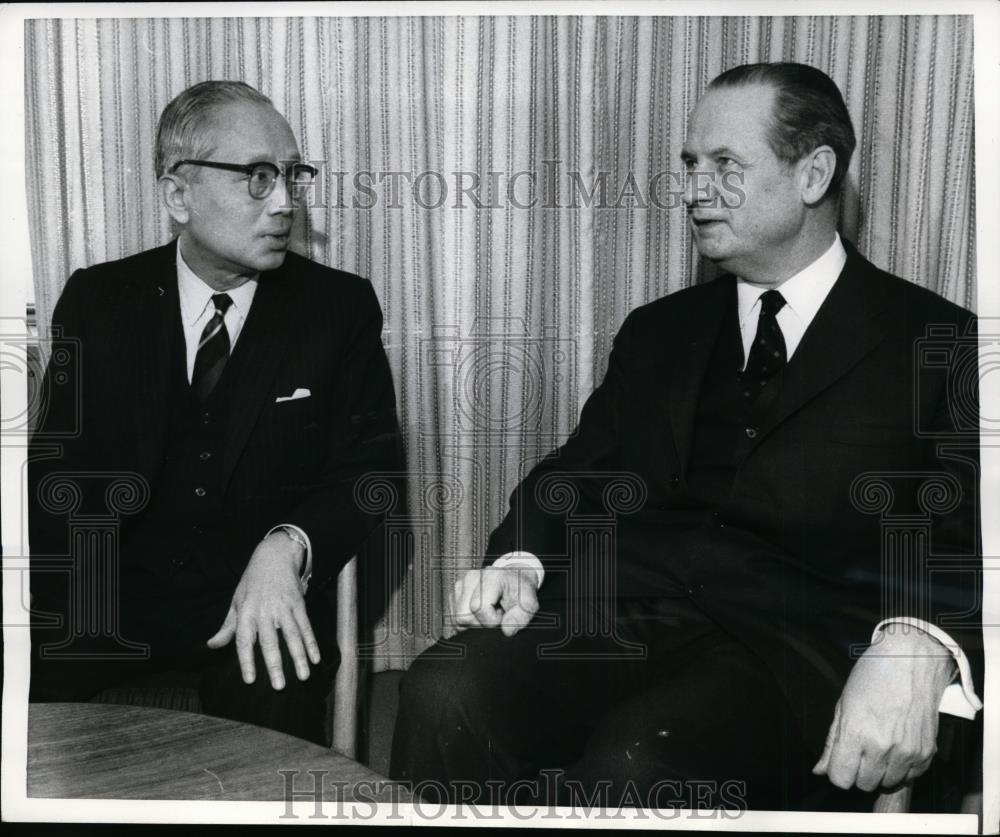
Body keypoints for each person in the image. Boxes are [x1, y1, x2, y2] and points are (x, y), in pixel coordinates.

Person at [390, 63, 982, 811]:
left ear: (814, 173)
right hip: (629, 616)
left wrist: (917, 640)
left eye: (725, 166)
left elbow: (967, 533)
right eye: (690, 165)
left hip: (791, 660)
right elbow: (579, 472)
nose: (694, 189)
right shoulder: (658, 330)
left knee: (636, 763)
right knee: (444, 688)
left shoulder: (938, 340)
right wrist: (522, 559)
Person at [28, 80, 402, 746]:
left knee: (269, 737)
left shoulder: (337, 310)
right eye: (256, 178)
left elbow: (371, 475)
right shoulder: (99, 302)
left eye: (292, 175)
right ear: (178, 194)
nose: (285, 203)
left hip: (255, 603)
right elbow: (55, 474)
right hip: (109, 605)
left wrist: (287, 545)